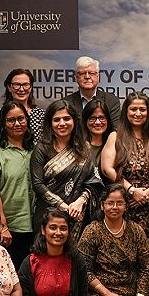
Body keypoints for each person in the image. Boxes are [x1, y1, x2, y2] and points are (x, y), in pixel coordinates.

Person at [100, 92, 149, 296]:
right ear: (126, 111)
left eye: (142, 109)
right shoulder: (116, 136)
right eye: (133, 109)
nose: (138, 113)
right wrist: (131, 190)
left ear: (148, 112)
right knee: (125, 253)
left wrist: (147, 193)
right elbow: (107, 168)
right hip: (125, 206)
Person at [78, 184, 149, 296]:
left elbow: (147, 268)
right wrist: (107, 294)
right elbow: (84, 270)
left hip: (132, 292)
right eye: (110, 203)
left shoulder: (136, 230)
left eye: (119, 203)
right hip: (100, 293)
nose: (114, 207)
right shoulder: (93, 230)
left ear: (126, 206)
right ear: (102, 205)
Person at [30, 99, 100, 239]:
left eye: (67, 119)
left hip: (78, 214)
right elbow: (37, 184)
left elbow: (94, 181)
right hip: (48, 214)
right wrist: (63, 206)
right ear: (50, 123)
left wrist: (80, 202)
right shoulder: (42, 148)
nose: (62, 123)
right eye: (57, 120)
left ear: (74, 121)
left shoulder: (84, 148)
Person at [0, 99, 35, 268]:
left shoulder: (35, 149)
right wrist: (3, 225)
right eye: (11, 120)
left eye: (21, 119)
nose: (17, 123)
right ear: (4, 123)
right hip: (12, 227)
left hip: (36, 225)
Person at [64, 56, 121, 126]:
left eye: (92, 73)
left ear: (98, 76)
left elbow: (115, 129)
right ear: (76, 77)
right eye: (82, 73)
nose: (87, 77)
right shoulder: (66, 102)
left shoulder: (111, 101)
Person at [0, 68, 45, 136]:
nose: (21, 89)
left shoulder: (42, 116)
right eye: (16, 85)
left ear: (31, 88)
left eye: (26, 85)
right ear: (9, 87)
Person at [82, 98, 115, 169]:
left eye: (102, 118)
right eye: (92, 118)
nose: (97, 122)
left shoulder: (114, 144)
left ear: (107, 120)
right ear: (85, 121)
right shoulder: (78, 145)